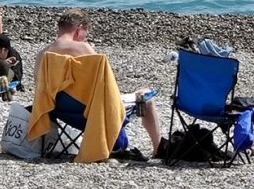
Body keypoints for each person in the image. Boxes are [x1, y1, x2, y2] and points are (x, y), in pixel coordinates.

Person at [34, 9, 164, 157]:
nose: (84, 38)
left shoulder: (42, 55)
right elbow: (106, 86)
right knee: (147, 97)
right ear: (79, 29)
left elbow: (40, 90)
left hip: (58, 111)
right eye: (85, 34)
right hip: (92, 113)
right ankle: (158, 149)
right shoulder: (83, 48)